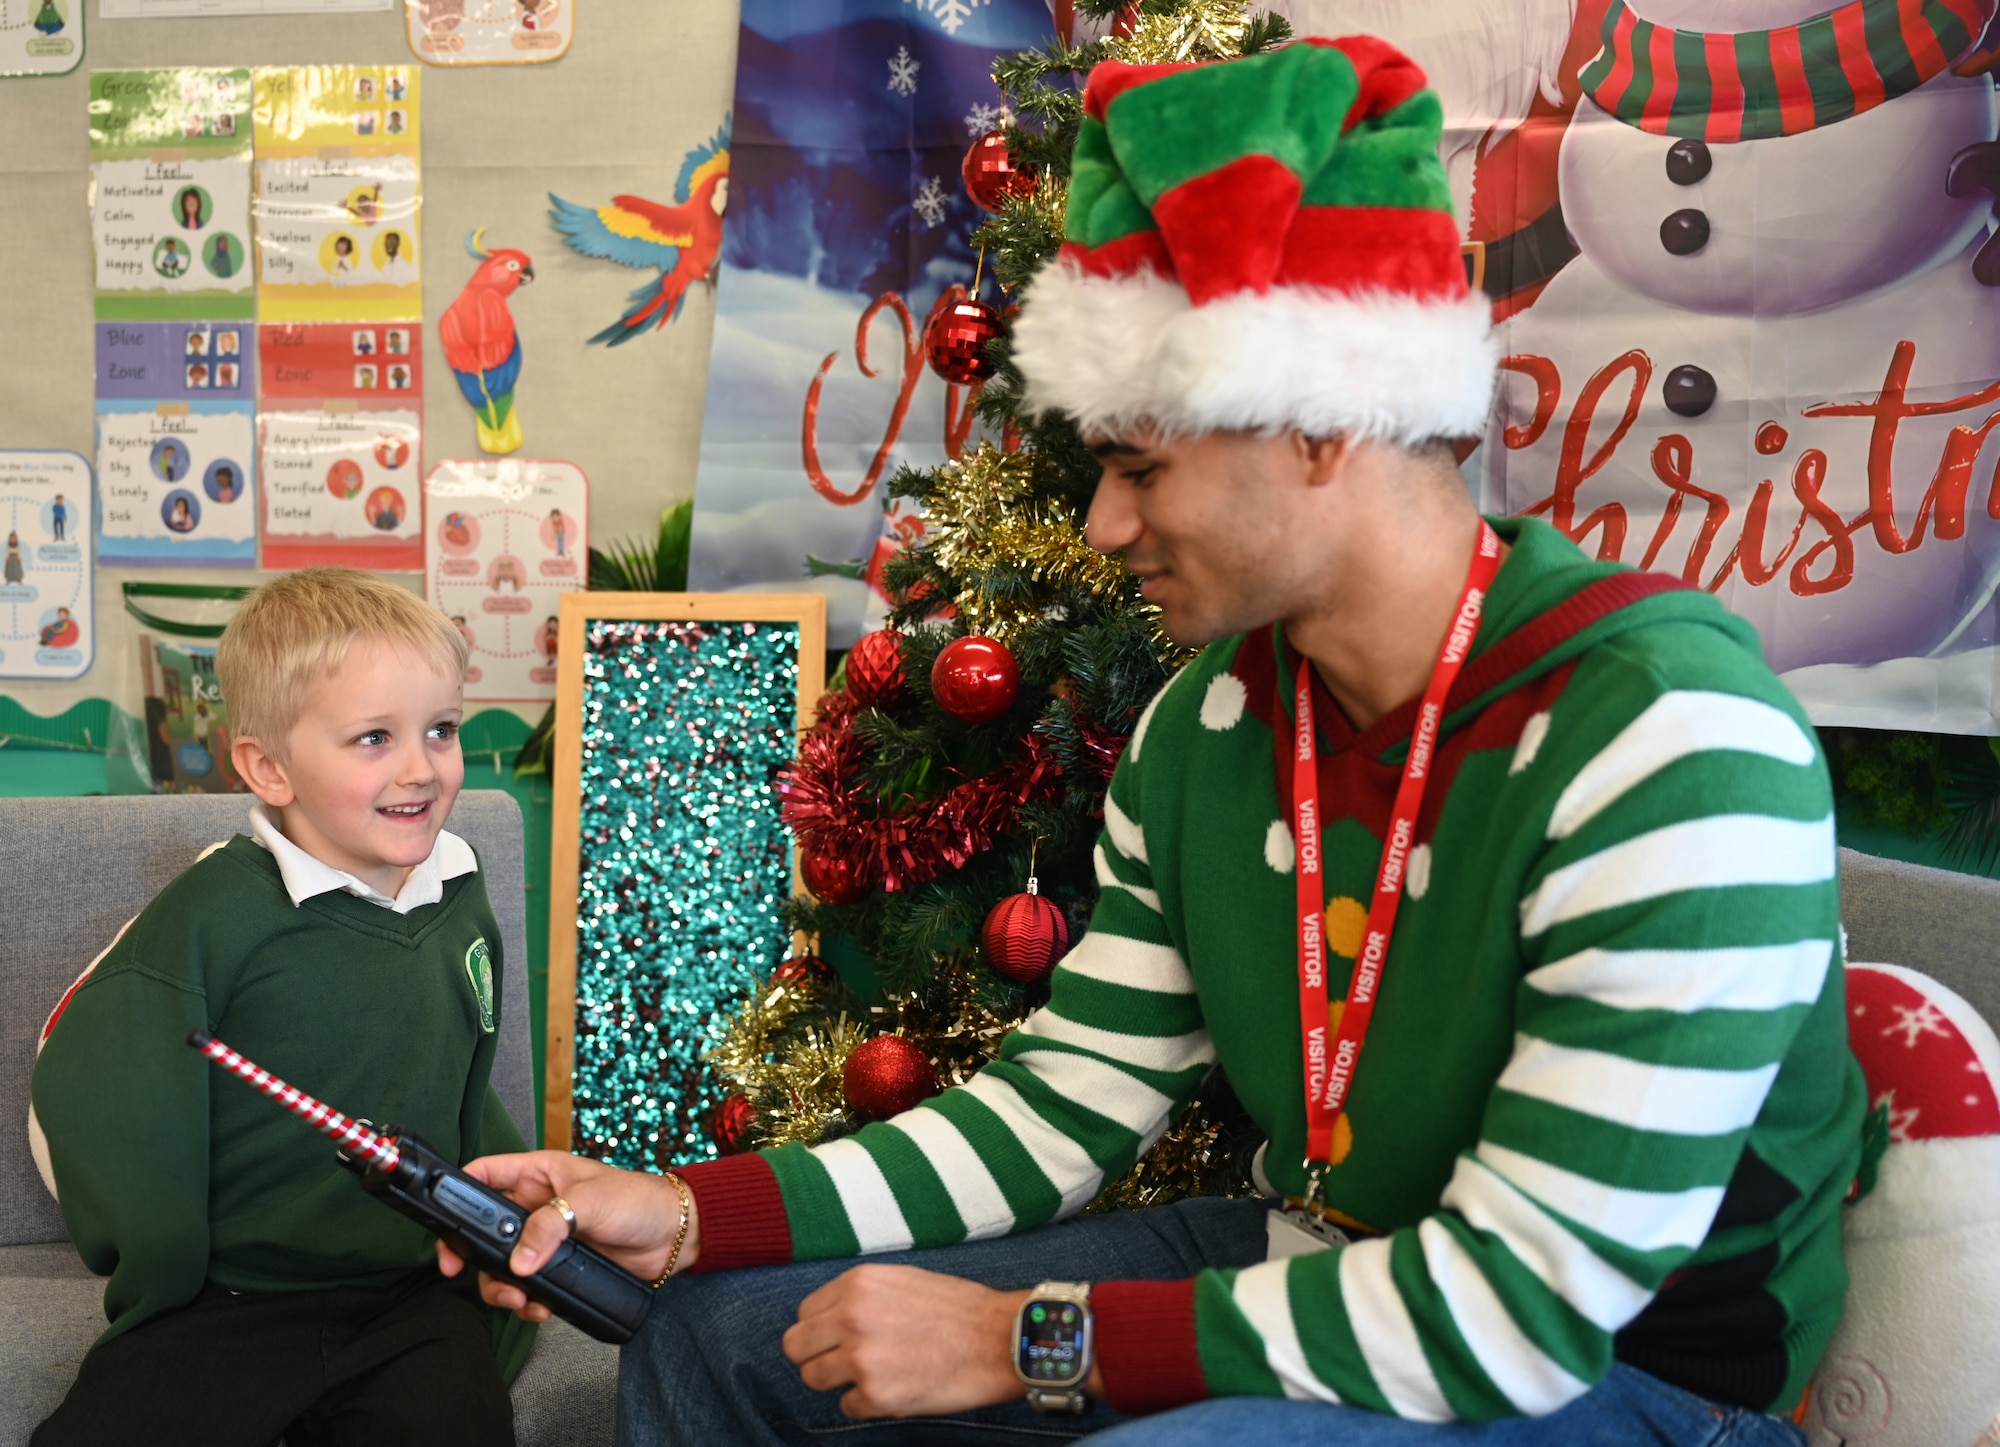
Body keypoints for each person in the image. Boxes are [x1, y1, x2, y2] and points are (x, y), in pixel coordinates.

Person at [453, 37, 1861, 1447]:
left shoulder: (1673, 733)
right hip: (1311, 1251)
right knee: (723, 1343)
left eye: (1140, 469)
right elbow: (1069, 1099)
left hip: (1622, 1379)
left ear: (1319, 424)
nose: (1103, 529)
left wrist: (1022, 1339)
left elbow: (1518, 1316)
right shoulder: (1212, 720)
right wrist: (700, 1211)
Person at [29, 569, 534, 1447]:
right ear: (268, 767)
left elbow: (466, 1079)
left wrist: (494, 1220)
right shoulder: (213, 914)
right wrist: (161, 1274)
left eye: (442, 729)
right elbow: (106, 1086)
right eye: (374, 737)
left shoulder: (461, 887)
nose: (422, 766)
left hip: (412, 1298)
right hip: (229, 1301)